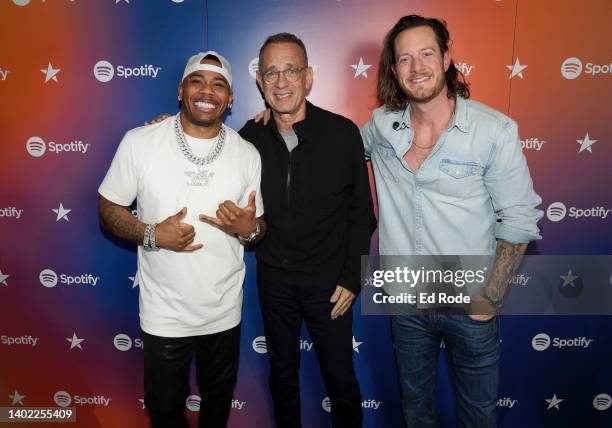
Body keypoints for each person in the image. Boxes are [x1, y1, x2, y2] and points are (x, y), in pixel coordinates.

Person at [360, 15, 543, 427]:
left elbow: (519, 218)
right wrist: (285, 122)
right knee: (416, 413)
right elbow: (336, 149)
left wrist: (490, 297)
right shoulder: (381, 126)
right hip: (406, 295)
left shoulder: (492, 130)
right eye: (404, 59)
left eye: (426, 54)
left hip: (470, 299)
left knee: (478, 417)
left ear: (446, 58)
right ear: (394, 69)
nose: (417, 67)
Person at [98, 51, 265, 428]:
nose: (208, 91)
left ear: (231, 98)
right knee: (164, 411)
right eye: (197, 81)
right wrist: (152, 234)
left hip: (223, 311)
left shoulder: (247, 154)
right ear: (180, 90)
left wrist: (248, 228)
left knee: (217, 406)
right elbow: (108, 209)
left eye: (219, 83)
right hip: (164, 313)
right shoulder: (140, 142)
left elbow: (258, 228)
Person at [240, 33, 376, 428]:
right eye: (271, 73)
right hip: (275, 282)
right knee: (282, 378)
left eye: (291, 70)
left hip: (329, 286)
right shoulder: (249, 138)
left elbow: (362, 213)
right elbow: (202, 149)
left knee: (341, 380)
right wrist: (164, 127)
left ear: (309, 76)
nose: (281, 82)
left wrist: (351, 278)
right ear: (260, 83)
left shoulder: (342, 133)